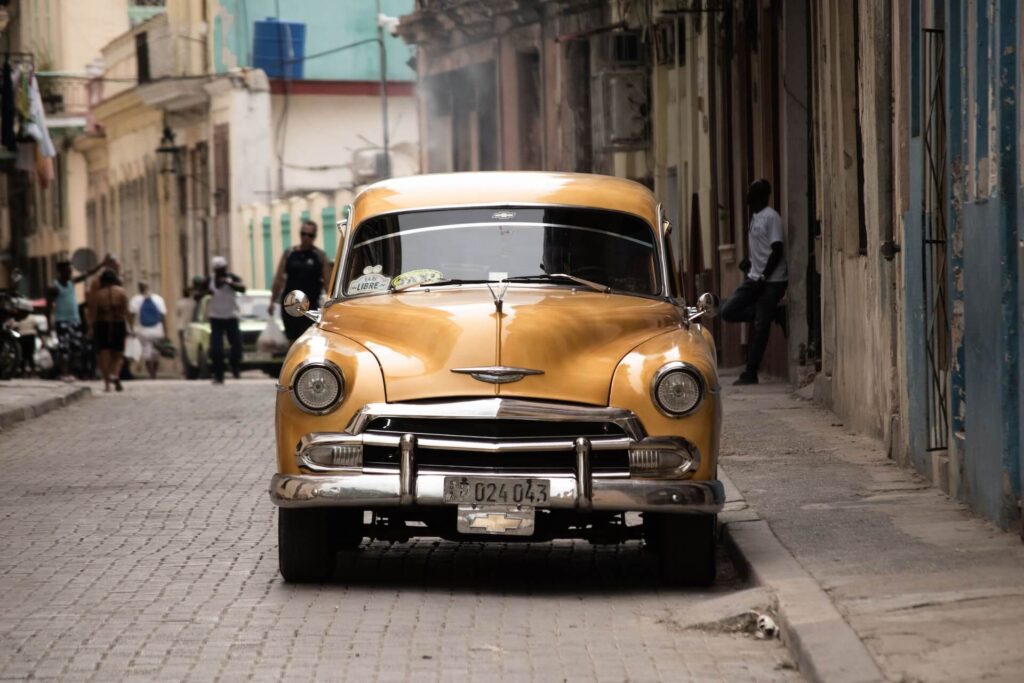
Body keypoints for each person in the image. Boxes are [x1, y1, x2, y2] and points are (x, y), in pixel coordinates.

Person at [719, 179, 788, 385]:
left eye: (750, 192)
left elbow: (776, 249)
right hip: (754, 277)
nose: (746, 196)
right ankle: (772, 314)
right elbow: (762, 248)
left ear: (759, 196)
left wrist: (765, 276)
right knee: (728, 311)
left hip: (772, 280)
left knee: (760, 327)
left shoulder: (771, 217)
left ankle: (751, 372)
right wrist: (750, 263)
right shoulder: (755, 217)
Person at [47, 258, 108, 382]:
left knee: (76, 348)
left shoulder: (71, 283)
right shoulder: (55, 286)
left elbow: (87, 274)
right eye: (67, 270)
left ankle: (71, 372)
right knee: (64, 348)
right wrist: (49, 323)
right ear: (60, 271)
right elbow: (48, 305)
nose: (70, 272)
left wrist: (102, 264)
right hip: (62, 320)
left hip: (75, 320)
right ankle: (64, 373)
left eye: (70, 269)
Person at [269, 219, 330, 343]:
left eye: (310, 235)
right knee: (292, 341)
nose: (306, 238)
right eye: (303, 234)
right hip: (290, 305)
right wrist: (272, 301)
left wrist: (330, 304)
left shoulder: (319, 256)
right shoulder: (290, 253)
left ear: (314, 237)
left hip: (310, 306)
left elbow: (328, 282)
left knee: (307, 341)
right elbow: (279, 279)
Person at [87, 268, 130, 392]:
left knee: (104, 354)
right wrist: (131, 327)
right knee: (119, 354)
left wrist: (90, 328)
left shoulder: (98, 295)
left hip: (102, 325)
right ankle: (115, 374)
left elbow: (93, 313)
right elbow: (126, 311)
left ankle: (107, 385)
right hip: (118, 324)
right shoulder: (121, 292)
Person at [208, 256, 245, 384]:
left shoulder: (232, 278)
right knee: (216, 348)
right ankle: (218, 375)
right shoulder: (210, 280)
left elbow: (242, 288)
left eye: (222, 270)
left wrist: (229, 283)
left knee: (237, 345)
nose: (220, 273)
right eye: (218, 270)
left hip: (231, 317)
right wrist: (202, 293)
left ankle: (234, 365)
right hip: (216, 318)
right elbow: (198, 293)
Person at [128, 282, 167, 380]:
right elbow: (162, 316)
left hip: (143, 330)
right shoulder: (158, 299)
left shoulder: (135, 299)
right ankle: (155, 372)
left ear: (139, 288)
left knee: (147, 352)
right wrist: (165, 330)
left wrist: (131, 328)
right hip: (158, 329)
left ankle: (151, 374)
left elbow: (132, 315)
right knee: (156, 352)